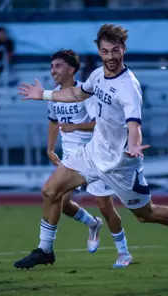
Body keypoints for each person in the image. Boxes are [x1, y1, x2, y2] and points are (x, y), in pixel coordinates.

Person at [14, 23, 168, 269]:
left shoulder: (129, 87)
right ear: (99, 52)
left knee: (146, 214)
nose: (110, 57)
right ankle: (45, 250)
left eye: (115, 50)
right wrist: (44, 94)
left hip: (120, 163)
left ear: (124, 49)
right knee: (50, 191)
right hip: (92, 154)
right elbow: (77, 94)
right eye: (105, 51)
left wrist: (133, 146)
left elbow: (135, 126)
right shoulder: (98, 75)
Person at [45, 49, 132, 268]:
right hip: (70, 156)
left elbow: (99, 123)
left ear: (71, 70)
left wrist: (76, 126)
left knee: (105, 205)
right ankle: (93, 224)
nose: (53, 70)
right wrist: (50, 148)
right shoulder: (54, 95)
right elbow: (54, 122)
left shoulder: (86, 92)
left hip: (94, 154)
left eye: (57, 66)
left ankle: (124, 252)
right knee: (62, 202)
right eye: (52, 66)